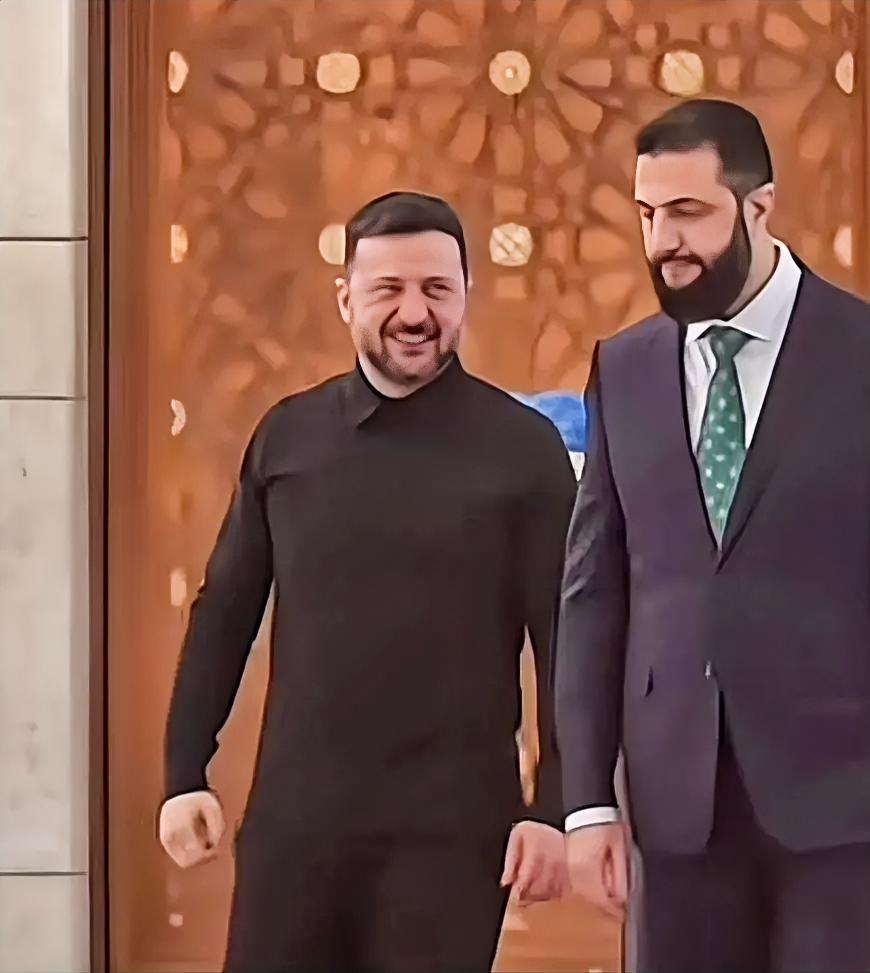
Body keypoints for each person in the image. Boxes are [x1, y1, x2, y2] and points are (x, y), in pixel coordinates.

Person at [158, 191, 577, 972]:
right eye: (388, 289)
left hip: (452, 838)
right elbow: (225, 612)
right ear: (346, 297)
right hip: (295, 827)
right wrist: (184, 771)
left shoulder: (525, 450)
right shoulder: (289, 436)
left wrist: (554, 807)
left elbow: (564, 640)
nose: (414, 313)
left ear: (466, 296)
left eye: (437, 289)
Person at [556, 99, 870, 973]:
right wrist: (587, 802)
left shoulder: (858, 354)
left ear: (759, 206)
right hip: (675, 810)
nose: (665, 241)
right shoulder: (625, 367)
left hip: (843, 806)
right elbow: (594, 592)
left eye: (688, 212)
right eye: (648, 214)